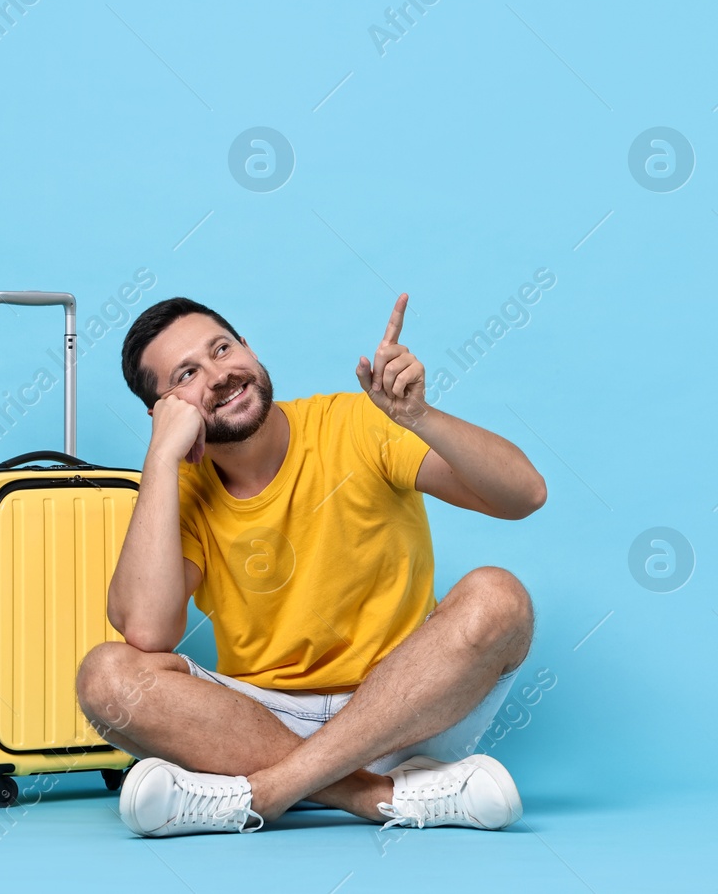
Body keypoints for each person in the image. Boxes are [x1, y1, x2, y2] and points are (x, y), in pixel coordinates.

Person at [75, 292, 547, 837]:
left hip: (401, 709)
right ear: (161, 411)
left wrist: (419, 416)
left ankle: (265, 794)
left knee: (500, 595)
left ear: (248, 349)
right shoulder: (180, 490)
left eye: (222, 348)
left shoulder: (353, 423)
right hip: (257, 724)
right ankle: (376, 796)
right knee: (107, 676)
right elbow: (147, 630)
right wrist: (159, 458)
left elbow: (524, 495)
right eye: (187, 373)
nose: (220, 375)